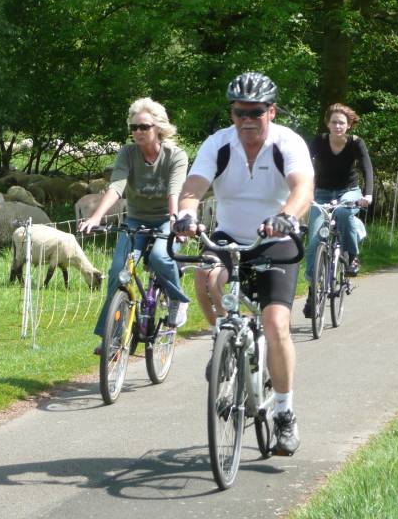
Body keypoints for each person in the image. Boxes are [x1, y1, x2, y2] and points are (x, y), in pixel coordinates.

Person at [173, 72, 314, 457]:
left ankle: (284, 413)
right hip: (229, 236)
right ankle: (223, 339)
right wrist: (186, 214)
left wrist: (288, 214)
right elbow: (194, 187)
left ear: (271, 110)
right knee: (204, 273)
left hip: (275, 240)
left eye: (255, 112)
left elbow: (302, 187)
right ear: (232, 113)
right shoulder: (218, 144)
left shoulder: (287, 143)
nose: (247, 120)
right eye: (239, 112)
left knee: (275, 324)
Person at [78, 97, 191, 352]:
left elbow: (175, 190)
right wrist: (96, 217)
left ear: (158, 127)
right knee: (118, 270)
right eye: (134, 128)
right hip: (136, 220)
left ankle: (177, 299)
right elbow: (117, 186)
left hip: (165, 219)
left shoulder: (176, 155)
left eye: (144, 127)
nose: (138, 132)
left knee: (162, 258)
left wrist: (175, 221)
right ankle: (112, 338)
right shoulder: (128, 153)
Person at [302, 103, 373, 319]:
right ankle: (313, 290)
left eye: (342, 122)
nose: (337, 126)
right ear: (328, 123)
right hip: (322, 193)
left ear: (349, 125)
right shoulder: (319, 141)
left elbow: (367, 168)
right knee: (314, 240)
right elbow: (303, 164)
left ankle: (351, 256)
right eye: (334, 122)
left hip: (348, 191)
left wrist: (367, 195)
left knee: (343, 213)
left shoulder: (356, 143)